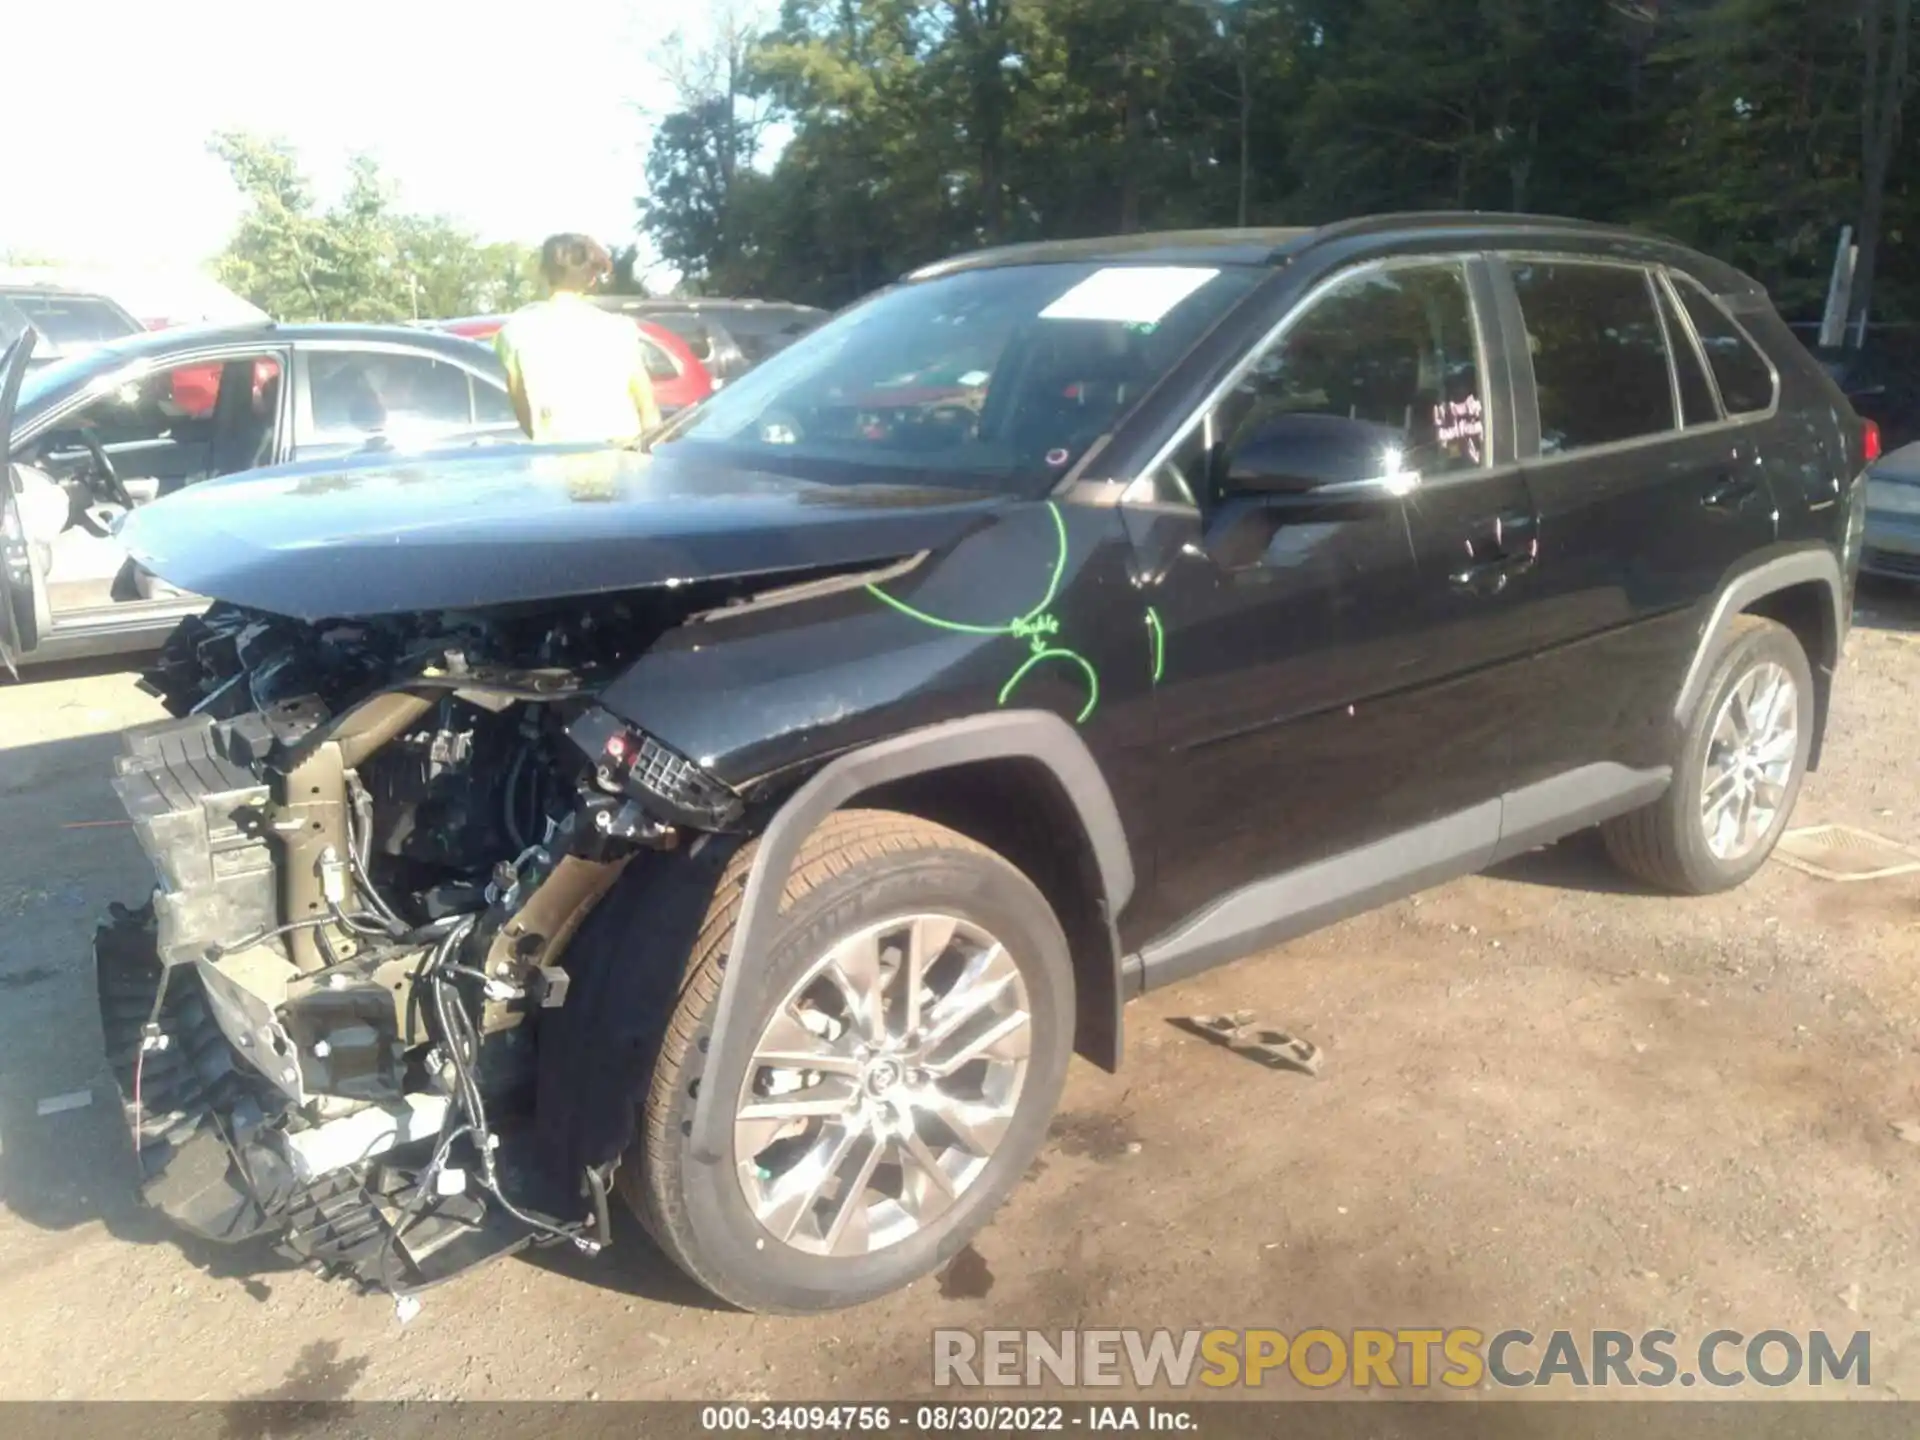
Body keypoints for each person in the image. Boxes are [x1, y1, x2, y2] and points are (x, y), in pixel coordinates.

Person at [493, 233, 662, 444]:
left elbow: (523, 411)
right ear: (591, 277)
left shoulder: (515, 332)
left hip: (555, 461)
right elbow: (648, 410)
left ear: (543, 272)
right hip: (620, 459)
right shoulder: (620, 330)